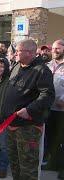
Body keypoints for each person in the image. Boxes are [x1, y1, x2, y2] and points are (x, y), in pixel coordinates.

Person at [3, 39, 55, 180]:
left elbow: (48, 95)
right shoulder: (16, 66)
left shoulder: (42, 70)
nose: (15, 54)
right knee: (15, 164)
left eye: (18, 51)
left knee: (28, 167)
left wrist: (30, 110)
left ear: (30, 52)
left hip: (28, 127)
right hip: (11, 125)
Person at [44, 39, 64, 179]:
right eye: (53, 48)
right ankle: (53, 163)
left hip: (62, 110)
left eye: (58, 48)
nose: (55, 51)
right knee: (51, 138)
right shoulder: (48, 65)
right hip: (49, 109)